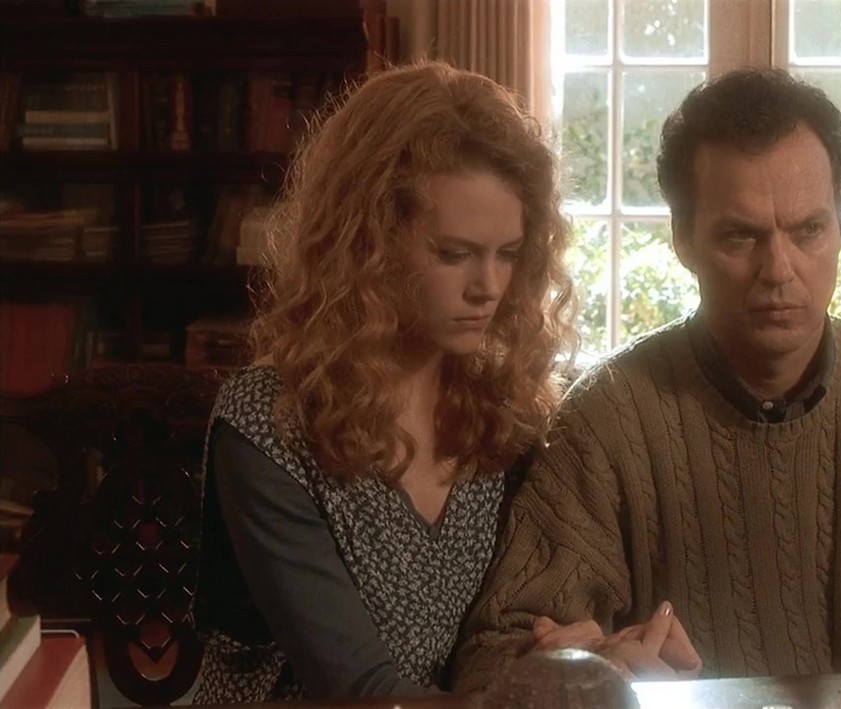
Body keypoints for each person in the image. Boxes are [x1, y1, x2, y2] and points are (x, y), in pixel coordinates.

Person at [453, 67, 841, 690]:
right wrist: (592, 666)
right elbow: (494, 659)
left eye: (808, 230)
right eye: (740, 236)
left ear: (840, 229)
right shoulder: (609, 416)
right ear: (684, 240)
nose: (778, 269)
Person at [192, 61, 577, 702]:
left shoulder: (503, 406)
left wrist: (590, 659)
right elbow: (362, 692)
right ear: (368, 243)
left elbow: (508, 632)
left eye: (508, 254)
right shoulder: (271, 420)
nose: (488, 287)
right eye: (454, 253)